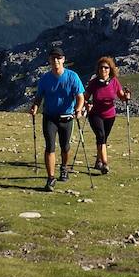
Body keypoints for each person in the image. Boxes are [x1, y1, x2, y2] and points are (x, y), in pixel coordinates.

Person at [29, 45, 86, 191]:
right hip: (49, 117)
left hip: (67, 117)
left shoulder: (72, 77)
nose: (56, 61)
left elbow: (80, 97)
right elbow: (39, 96)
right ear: (49, 60)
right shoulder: (45, 79)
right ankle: (51, 178)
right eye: (53, 58)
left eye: (59, 58)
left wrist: (78, 109)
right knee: (50, 146)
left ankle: (64, 167)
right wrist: (35, 106)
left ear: (63, 60)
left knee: (65, 147)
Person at [84, 56, 131, 175]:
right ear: (98, 69)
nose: (104, 70)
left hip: (110, 115)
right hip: (95, 114)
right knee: (101, 135)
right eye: (101, 67)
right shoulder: (94, 83)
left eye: (106, 67)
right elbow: (85, 97)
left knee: (103, 138)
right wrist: (86, 104)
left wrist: (126, 97)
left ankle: (98, 160)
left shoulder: (114, 81)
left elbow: (121, 97)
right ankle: (105, 164)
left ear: (110, 69)